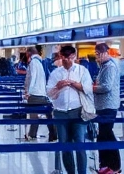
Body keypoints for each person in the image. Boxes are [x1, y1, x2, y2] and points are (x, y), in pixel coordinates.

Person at [47, 44, 94, 174]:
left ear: (74, 56)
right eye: (64, 57)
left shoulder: (82, 71)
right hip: (60, 113)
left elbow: (89, 89)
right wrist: (58, 86)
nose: (66, 60)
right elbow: (49, 93)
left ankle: (82, 172)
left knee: (79, 144)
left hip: (78, 112)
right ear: (61, 57)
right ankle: (71, 172)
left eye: (69, 57)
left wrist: (74, 84)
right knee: (65, 146)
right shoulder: (56, 73)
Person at [93, 43, 121, 174]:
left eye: (98, 54)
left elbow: (106, 87)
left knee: (107, 135)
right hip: (102, 105)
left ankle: (113, 166)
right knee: (104, 136)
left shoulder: (109, 67)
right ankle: (105, 165)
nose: (97, 57)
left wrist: (90, 88)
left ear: (105, 53)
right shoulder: (103, 66)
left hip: (108, 106)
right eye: (96, 54)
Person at [24, 45, 55, 142]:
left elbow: (32, 78)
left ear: (29, 53)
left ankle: (32, 135)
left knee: (33, 115)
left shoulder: (33, 63)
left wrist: (28, 92)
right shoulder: (40, 63)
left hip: (34, 94)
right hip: (42, 93)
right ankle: (53, 134)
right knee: (47, 114)